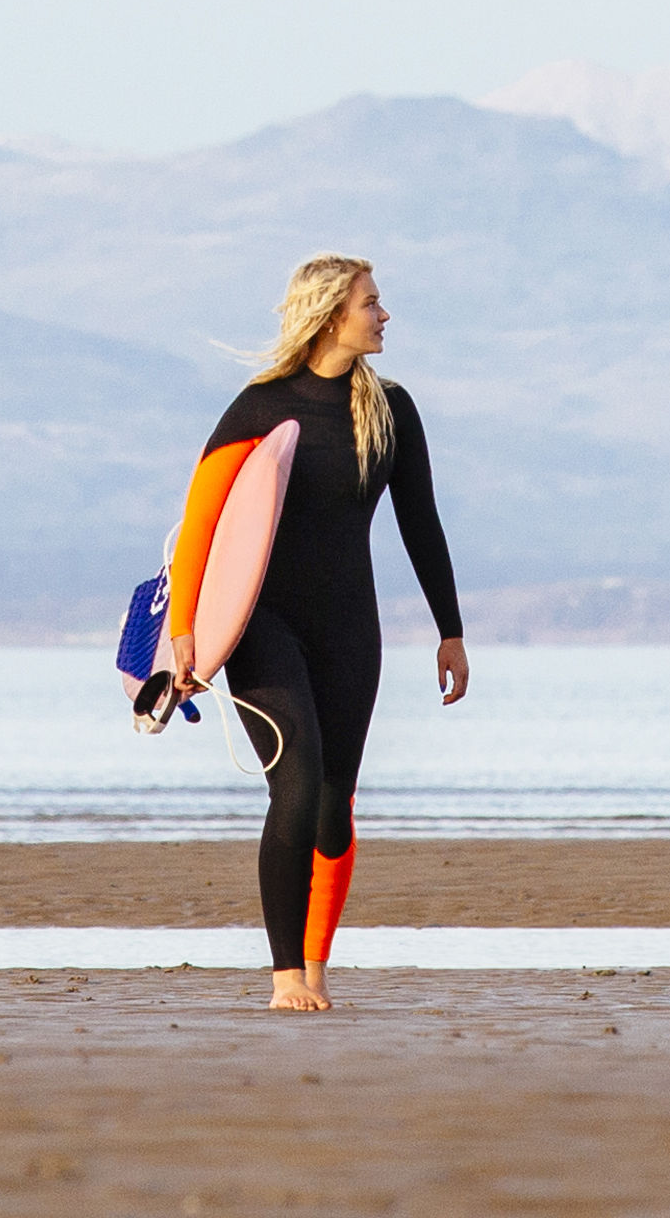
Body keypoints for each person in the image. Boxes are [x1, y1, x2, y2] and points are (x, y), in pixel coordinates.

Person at [173, 253, 468, 1012]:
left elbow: (421, 524)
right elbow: (201, 526)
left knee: (335, 803)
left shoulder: (391, 410)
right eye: (373, 302)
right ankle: (282, 978)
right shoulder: (262, 406)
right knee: (295, 787)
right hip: (264, 623)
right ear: (334, 312)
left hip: (349, 625)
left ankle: (316, 963)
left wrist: (450, 630)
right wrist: (183, 636)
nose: (385, 314)